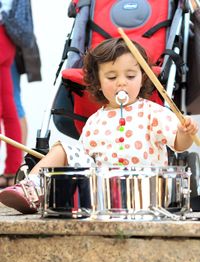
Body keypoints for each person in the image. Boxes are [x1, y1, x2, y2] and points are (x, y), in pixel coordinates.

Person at [0, 37, 198, 214]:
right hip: (103, 195)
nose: (121, 83)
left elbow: (180, 144)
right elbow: (84, 159)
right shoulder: (94, 121)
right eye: (112, 77)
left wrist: (185, 133)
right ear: (98, 82)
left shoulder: (154, 112)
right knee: (63, 148)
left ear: (143, 78)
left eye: (130, 76)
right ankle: (31, 188)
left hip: (145, 192)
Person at [0, 0, 22, 188]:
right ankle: (12, 169)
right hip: (6, 38)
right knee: (8, 107)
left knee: (7, 107)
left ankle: (12, 168)